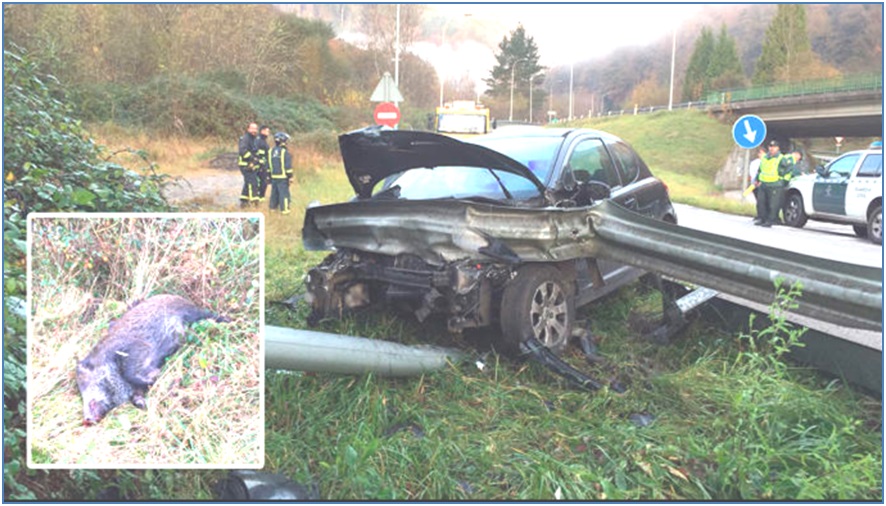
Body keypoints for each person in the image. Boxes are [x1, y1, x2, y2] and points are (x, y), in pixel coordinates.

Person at [753, 140, 799, 227]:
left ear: (778, 148)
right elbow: (760, 170)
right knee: (761, 203)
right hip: (764, 184)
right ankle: (762, 219)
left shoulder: (782, 158)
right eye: (770, 147)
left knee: (773, 204)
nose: (772, 149)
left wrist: (783, 181)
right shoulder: (765, 158)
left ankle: (770, 220)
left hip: (775, 185)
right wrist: (757, 179)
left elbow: (789, 170)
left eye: (774, 147)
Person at [268, 132, 293, 214]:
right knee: (284, 194)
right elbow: (288, 167)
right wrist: (290, 177)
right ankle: (285, 210)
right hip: (283, 178)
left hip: (273, 177)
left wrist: (269, 176)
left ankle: (272, 209)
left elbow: (268, 165)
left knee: (274, 194)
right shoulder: (284, 152)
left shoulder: (270, 151)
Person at [237, 122, 259, 207]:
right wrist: (252, 158)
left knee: (247, 182)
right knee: (252, 183)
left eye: (255, 128)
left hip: (251, 164)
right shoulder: (246, 138)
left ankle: (244, 201)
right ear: (248, 129)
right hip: (246, 165)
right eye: (252, 128)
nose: (254, 130)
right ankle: (254, 202)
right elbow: (242, 151)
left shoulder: (253, 139)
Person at [255, 125, 271, 202]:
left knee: (264, 183)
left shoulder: (263, 141)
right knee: (261, 183)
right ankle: (258, 199)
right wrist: (260, 163)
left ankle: (261, 199)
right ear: (262, 131)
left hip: (264, 165)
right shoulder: (258, 141)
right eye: (267, 131)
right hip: (260, 166)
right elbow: (256, 153)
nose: (268, 133)